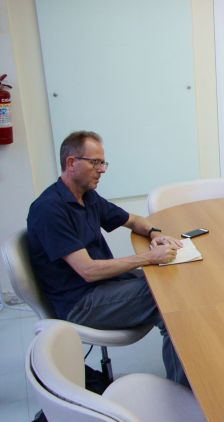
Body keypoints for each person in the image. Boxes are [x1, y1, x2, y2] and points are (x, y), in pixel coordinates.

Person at [27, 131, 189, 386]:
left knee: (167, 275)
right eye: (95, 162)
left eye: (103, 163)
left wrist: (155, 233)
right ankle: (183, 389)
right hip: (81, 302)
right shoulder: (50, 209)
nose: (102, 170)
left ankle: (184, 376)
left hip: (104, 286)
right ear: (71, 163)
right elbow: (88, 270)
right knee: (166, 295)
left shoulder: (87, 197)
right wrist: (148, 257)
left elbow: (133, 220)